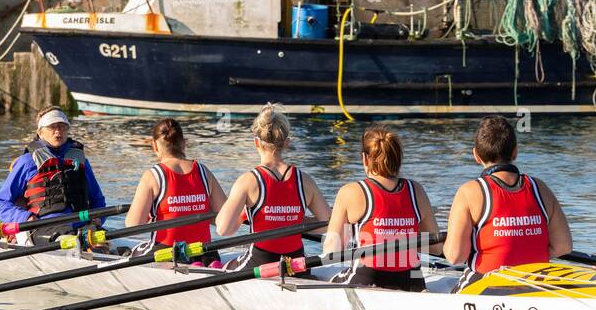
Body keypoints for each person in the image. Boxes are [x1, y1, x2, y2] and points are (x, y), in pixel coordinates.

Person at [443, 116, 573, 291]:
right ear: (515, 152)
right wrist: (522, 253)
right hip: (537, 284)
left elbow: (455, 256)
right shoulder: (540, 188)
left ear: (476, 155)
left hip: (488, 284)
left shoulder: (469, 191)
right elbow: (563, 246)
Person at [322, 127, 440, 292]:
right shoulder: (417, 191)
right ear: (398, 159)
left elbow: (331, 251)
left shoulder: (350, 191)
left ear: (365, 159)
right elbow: (436, 247)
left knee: (323, 278)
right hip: (412, 281)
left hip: (367, 279)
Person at [216, 104, 331, 272]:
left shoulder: (247, 181)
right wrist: (295, 219)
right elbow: (328, 224)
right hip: (296, 265)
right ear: (286, 143)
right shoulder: (306, 181)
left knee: (225, 267)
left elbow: (223, 229)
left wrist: (244, 214)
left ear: (256, 142)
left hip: (259, 262)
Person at [0, 107, 107, 243]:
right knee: (71, 241)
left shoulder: (80, 161)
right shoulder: (27, 162)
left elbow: (98, 201)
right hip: (45, 227)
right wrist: (25, 217)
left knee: (106, 241)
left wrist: (99, 217)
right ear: (40, 133)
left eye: (62, 126)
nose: (58, 131)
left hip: (82, 225)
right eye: (52, 127)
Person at [125, 118, 228, 264]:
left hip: (166, 252)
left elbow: (133, 225)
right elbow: (224, 217)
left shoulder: (153, 175)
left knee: (128, 252)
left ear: (154, 146)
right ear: (184, 143)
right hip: (205, 251)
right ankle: (203, 262)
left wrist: (152, 215)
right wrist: (195, 210)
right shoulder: (204, 172)